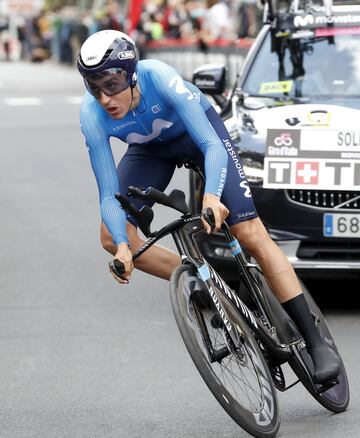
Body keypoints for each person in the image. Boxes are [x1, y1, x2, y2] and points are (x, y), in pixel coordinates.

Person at [77, 30, 340, 384]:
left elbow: (211, 145)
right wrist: (125, 248)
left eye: (111, 84)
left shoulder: (161, 78)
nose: (104, 97)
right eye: (94, 87)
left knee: (249, 232)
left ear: (131, 74)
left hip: (201, 138)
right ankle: (207, 284)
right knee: (111, 236)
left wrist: (212, 197)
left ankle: (314, 341)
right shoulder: (92, 113)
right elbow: (108, 194)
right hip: (151, 152)